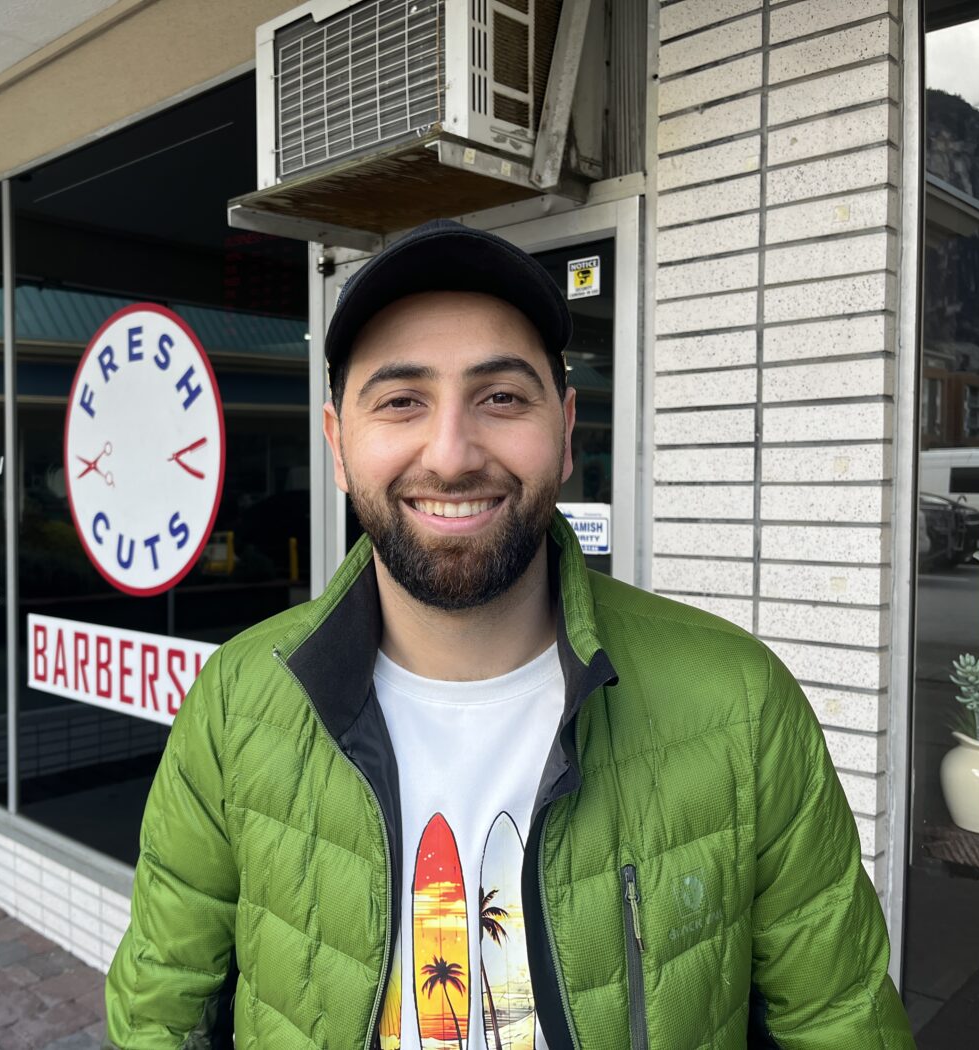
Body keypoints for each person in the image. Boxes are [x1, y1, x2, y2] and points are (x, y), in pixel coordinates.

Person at [104, 219, 914, 1048]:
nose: (452, 455)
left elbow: (841, 1023)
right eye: (401, 401)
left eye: (501, 398)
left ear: (564, 431)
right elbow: (158, 1014)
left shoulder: (738, 707)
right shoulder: (239, 704)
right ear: (337, 445)